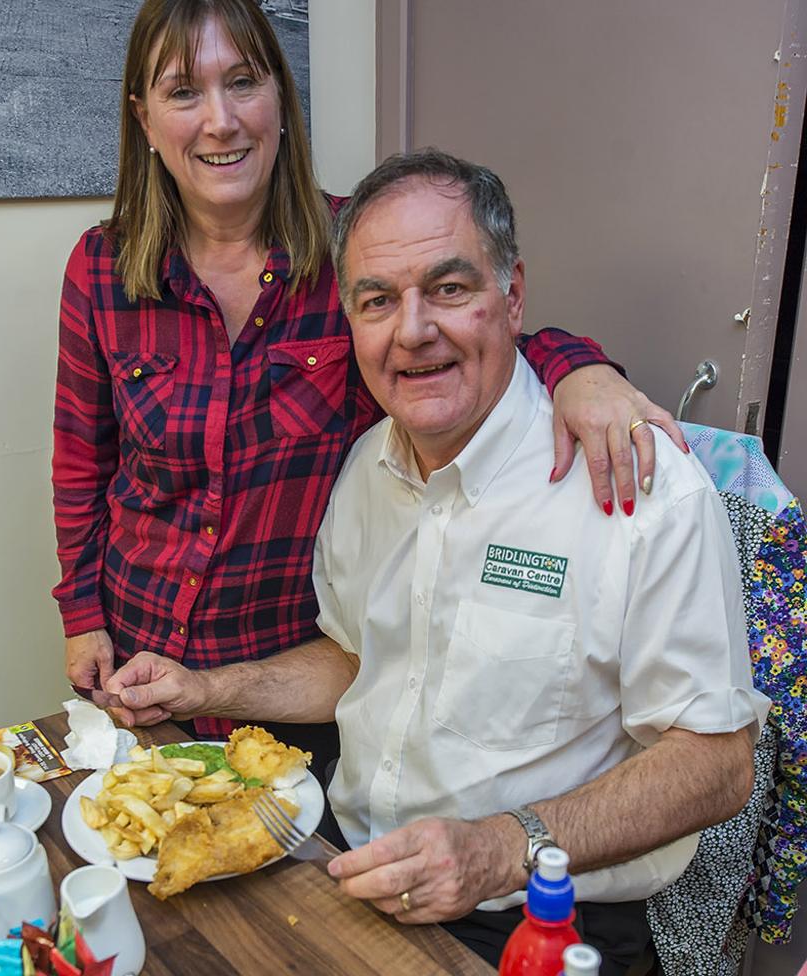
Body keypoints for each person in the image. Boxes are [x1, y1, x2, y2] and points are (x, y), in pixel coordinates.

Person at [105, 149, 772, 976]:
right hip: (345, 869)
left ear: (513, 295)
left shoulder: (642, 488)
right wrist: (210, 688)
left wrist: (500, 849)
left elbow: (717, 764)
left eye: (449, 290)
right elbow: (355, 658)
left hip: (534, 916)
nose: (412, 330)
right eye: (377, 301)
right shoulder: (365, 472)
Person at [52, 0, 683, 775]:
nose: (219, 121)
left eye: (243, 82)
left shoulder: (356, 253)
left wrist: (580, 368)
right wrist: (84, 620)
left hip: (301, 678)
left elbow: (469, 334)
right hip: (143, 666)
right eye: (183, 92)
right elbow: (81, 466)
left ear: (282, 100)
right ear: (144, 119)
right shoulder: (102, 270)